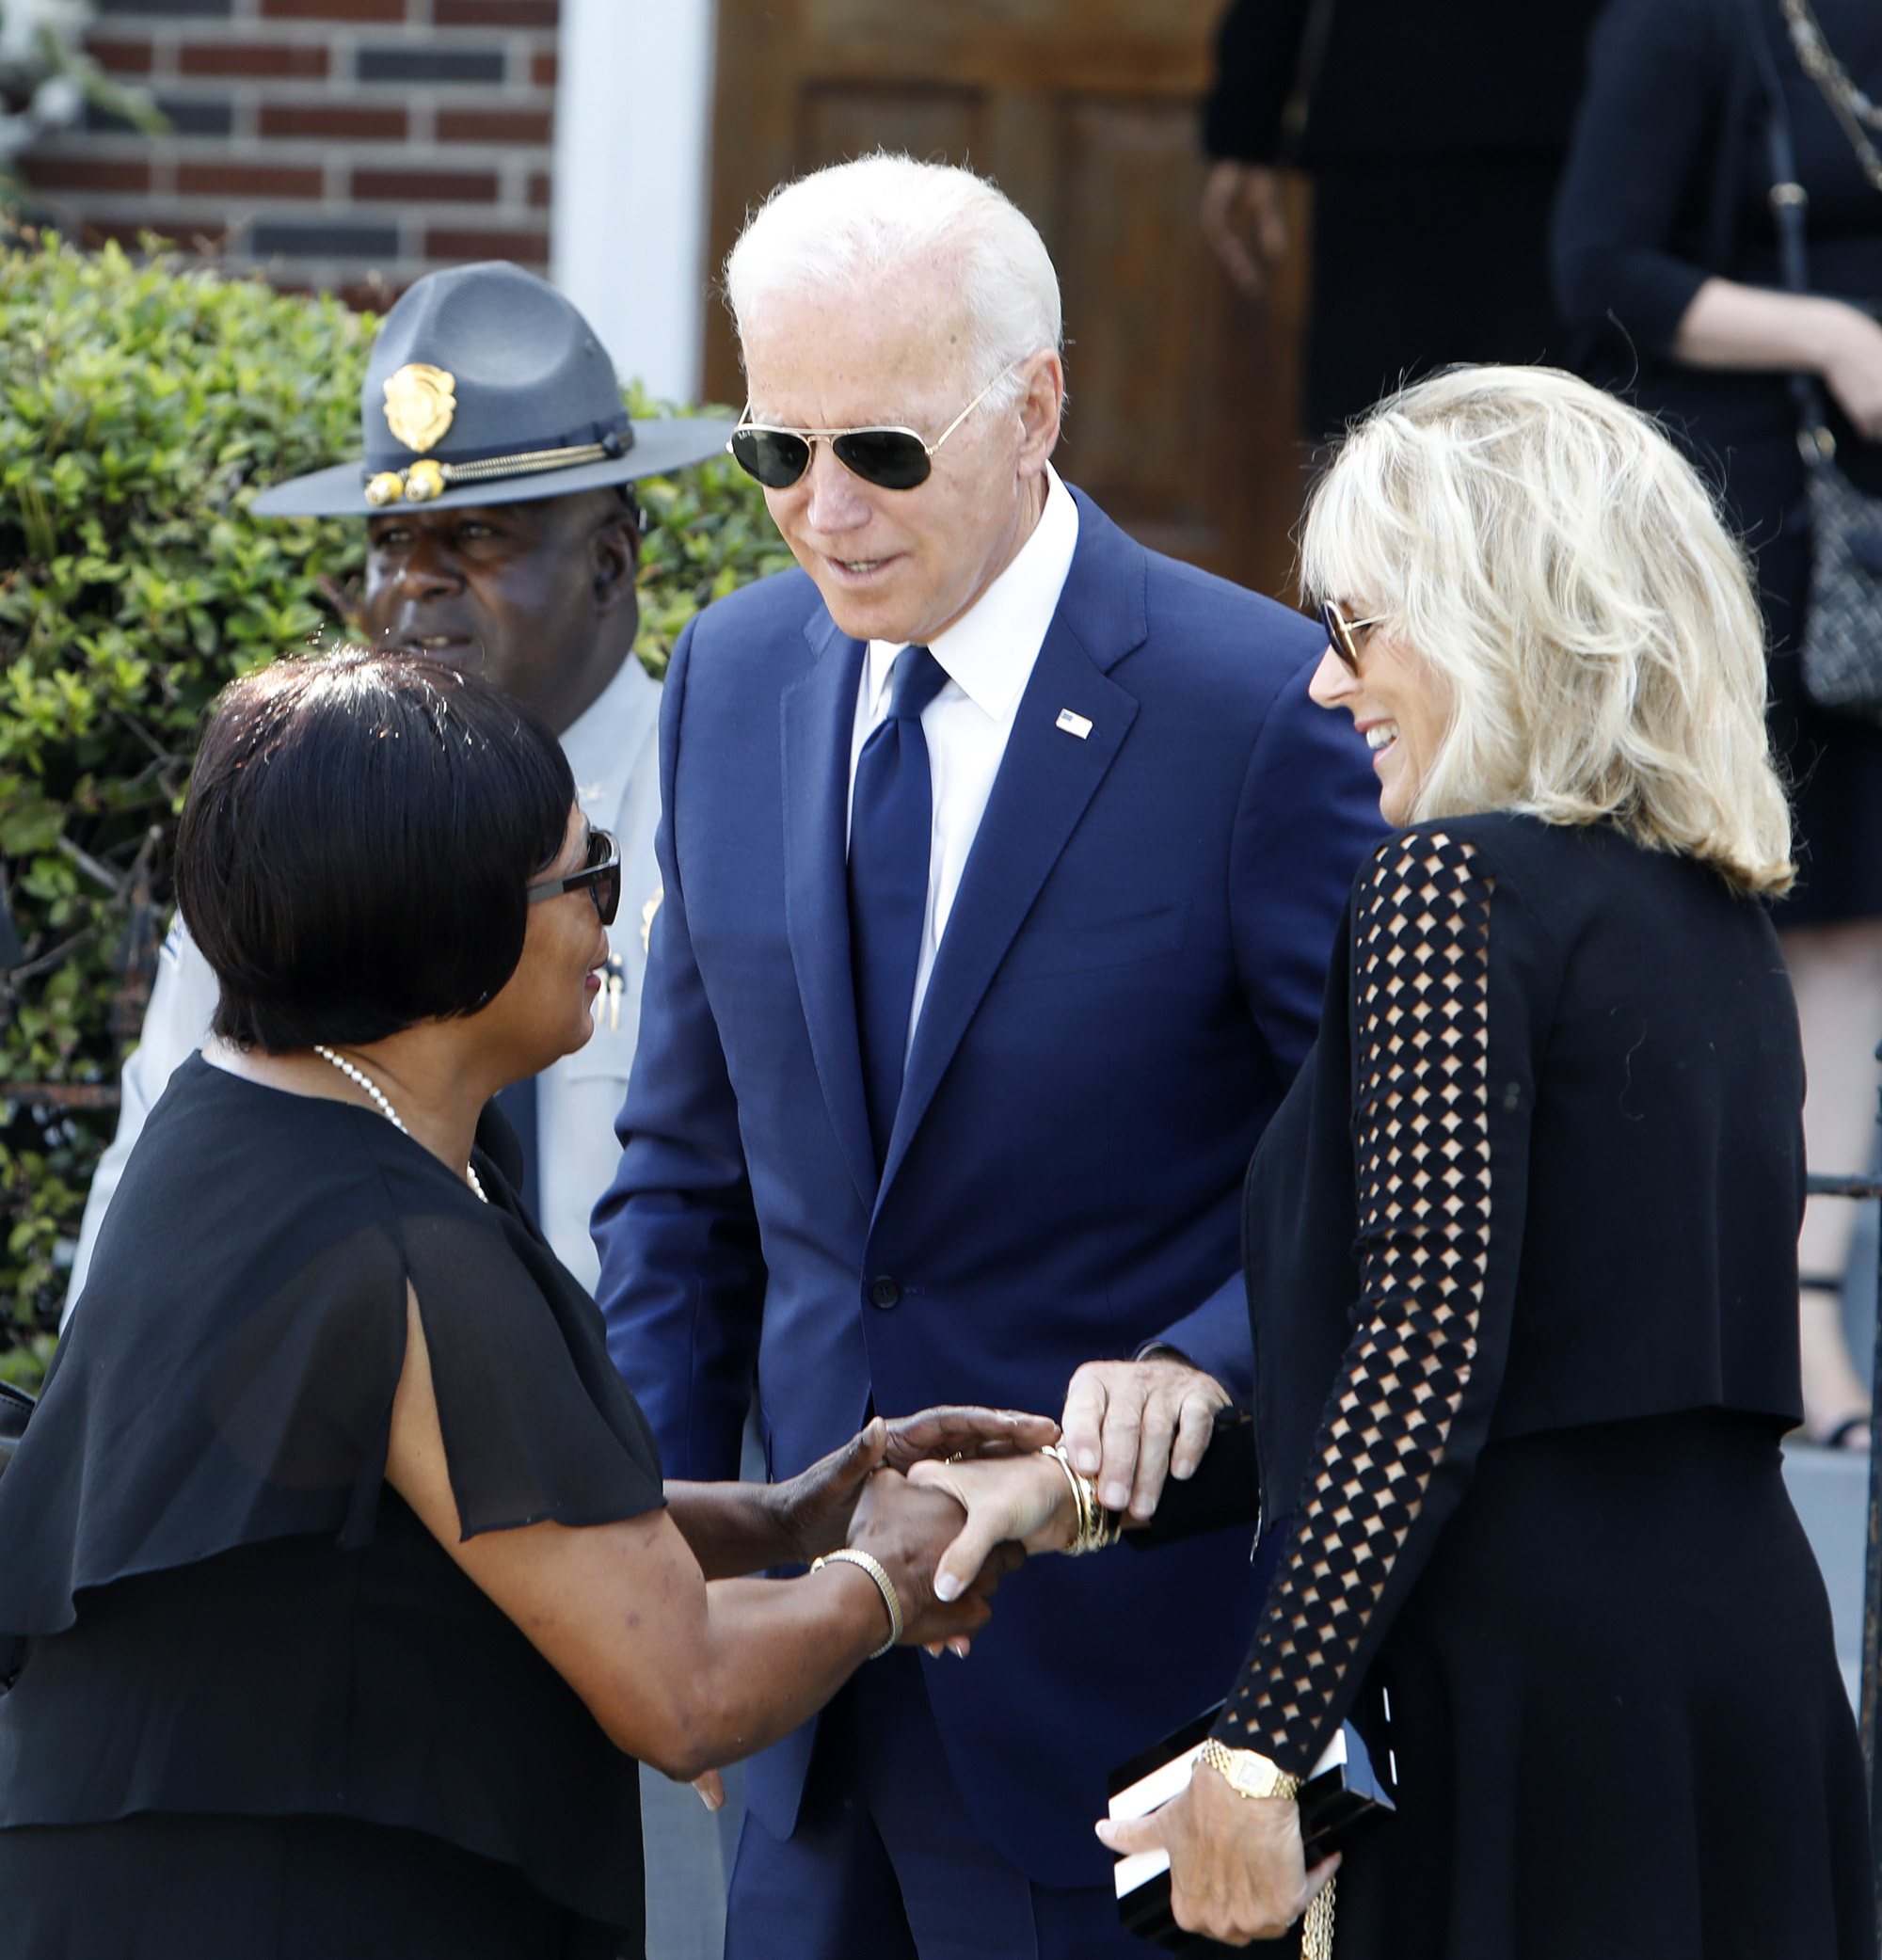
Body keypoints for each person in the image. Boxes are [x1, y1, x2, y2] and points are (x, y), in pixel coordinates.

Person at [917, 366, 1874, 1956]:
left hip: (1520, 1708)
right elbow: (1547, 1364)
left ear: (1490, 619)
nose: (1324, 686)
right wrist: (1064, 1496)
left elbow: (1429, 1346)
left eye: (1355, 627)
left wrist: (1260, 1742)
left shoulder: (1450, 885)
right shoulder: (1715, 919)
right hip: (1738, 1686)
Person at [589, 153, 1383, 1959]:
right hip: (801, 1712)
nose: (819, 508)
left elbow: (1371, 1165)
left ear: (1034, 409)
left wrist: (1197, 1361)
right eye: (771, 450)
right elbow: (688, 1188)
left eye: (880, 450)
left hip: (1124, 1708)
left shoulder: (1256, 710)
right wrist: (660, 1584)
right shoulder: (730, 678)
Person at [0, 649, 1052, 1960]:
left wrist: (791, 1513)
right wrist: (892, 1574)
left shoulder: (246, 1115)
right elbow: (683, 1688)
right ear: (451, 925)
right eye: (588, 870)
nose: (614, 913)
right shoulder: (399, 1249)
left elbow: (465, 1512)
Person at [67, 258, 726, 1309]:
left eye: (473, 534)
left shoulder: (722, 801)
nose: (412, 582)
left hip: (657, 1450)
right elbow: (157, 1174)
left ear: (609, 566)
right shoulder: (302, 823)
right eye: (389, 541)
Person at [1554, 0, 1882, 1449]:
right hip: (1754, 529)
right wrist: (1835, 333)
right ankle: (1692, 1306)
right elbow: (1599, 269)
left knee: (1862, 924)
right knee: (1714, 899)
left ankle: (1808, 1307)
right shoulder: (1687, 19)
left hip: (1865, 543)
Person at [1200, 0, 1604, 439]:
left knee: (1382, 431)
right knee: (1550, 432)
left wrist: (1247, 119)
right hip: (1561, 111)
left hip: (1395, 107)